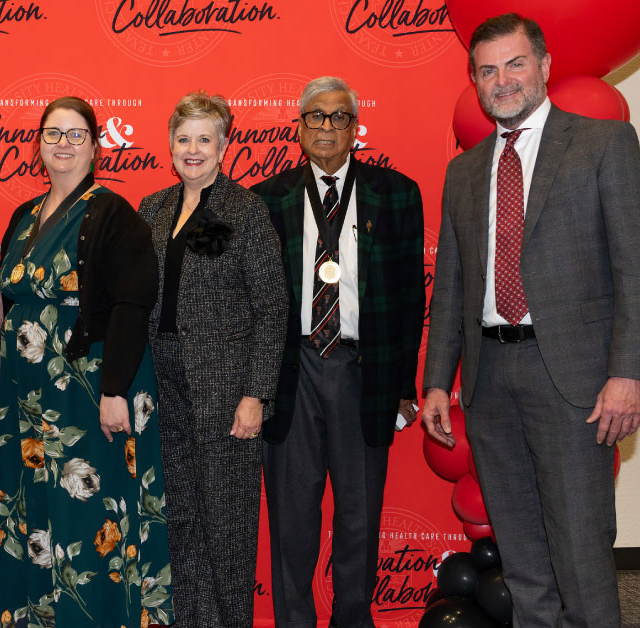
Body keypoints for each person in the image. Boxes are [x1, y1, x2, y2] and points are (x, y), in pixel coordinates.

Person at [421, 13, 640, 628]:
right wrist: (437, 382)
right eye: (487, 70)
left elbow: (638, 267)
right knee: (522, 559)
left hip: (573, 381)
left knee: (581, 554)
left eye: (515, 63)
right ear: (475, 80)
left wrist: (629, 374)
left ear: (545, 66)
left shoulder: (603, 144)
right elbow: (451, 285)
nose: (502, 80)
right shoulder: (464, 171)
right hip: (489, 380)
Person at [0, 96, 173, 628]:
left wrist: (115, 391)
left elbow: (132, 304)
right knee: (34, 506)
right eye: (53, 134)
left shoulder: (113, 213)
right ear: (38, 145)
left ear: (96, 147)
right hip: (31, 395)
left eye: (77, 135)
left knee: (90, 510)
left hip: (89, 388)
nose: (64, 144)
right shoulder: (25, 216)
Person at [251, 76, 424, 628]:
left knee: (359, 515)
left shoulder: (396, 193)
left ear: (355, 128)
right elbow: (252, 302)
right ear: (299, 127)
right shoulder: (266, 199)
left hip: (362, 371)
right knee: (291, 518)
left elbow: (408, 297)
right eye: (316, 116)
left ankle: (353, 618)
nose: (327, 126)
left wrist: (404, 387)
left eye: (339, 117)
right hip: (291, 372)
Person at [137, 90, 286, 628]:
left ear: (223, 147)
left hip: (225, 393)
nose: (193, 150)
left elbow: (272, 308)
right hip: (163, 386)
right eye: (184, 139)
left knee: (226, 528)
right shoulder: (153, 209)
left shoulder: (243, 211)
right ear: (170, 145)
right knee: (179, 520)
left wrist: (256, 394)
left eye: (205, 139)